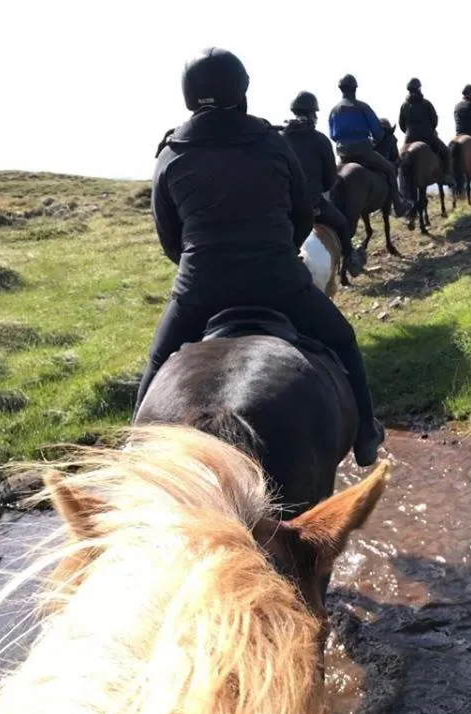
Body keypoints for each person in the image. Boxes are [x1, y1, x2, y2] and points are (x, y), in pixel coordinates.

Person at [135, 48, 385, 467]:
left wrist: (199, 266)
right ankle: (364, 435)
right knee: (342, 337)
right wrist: (280, 253)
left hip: (200, 289)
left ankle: (133, 457)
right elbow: (303, 214)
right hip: (278, 280)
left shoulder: (170, 154)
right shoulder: (271, 141)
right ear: (241, 89)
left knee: (158, 360)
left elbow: (169, 238)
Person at [282, 90, 357, 275]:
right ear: (312, 114)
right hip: (312, 203)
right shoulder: (320, 140)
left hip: (284, 205)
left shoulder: (280, 138)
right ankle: (350, 259)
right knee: (341, 224)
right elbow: (330, 178)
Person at [328, 74, 411, 217]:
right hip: (363, 151)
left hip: (343, 155)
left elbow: (333, 135)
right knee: (390, 169)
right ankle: (398, 205)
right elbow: (378, 133)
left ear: (341, 89)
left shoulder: (334, 111)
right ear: (355, 89)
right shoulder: (362, 107)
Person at [397, 78, 454, 185]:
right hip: (427, 136)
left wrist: (409, 132)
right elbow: (434, 120)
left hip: (409, 138)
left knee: (400, 157)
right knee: (446, 152)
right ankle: (446, 176)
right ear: (419, 88)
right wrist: (430, 129)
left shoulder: (404, 106)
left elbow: (401, 124)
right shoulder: (426, 103)